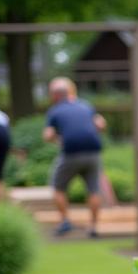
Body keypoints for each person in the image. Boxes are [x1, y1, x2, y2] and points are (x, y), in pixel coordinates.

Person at [42, 77, 107, 236]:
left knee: (58, 187)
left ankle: (65, 221)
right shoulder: (85, 105)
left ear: (55, 95)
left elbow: (47, 135)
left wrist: (58, 140)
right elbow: (101, 124)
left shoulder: (55, 110)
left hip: (71, 153)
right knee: (93, 189)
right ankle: (93, 227)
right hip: (93, 152)